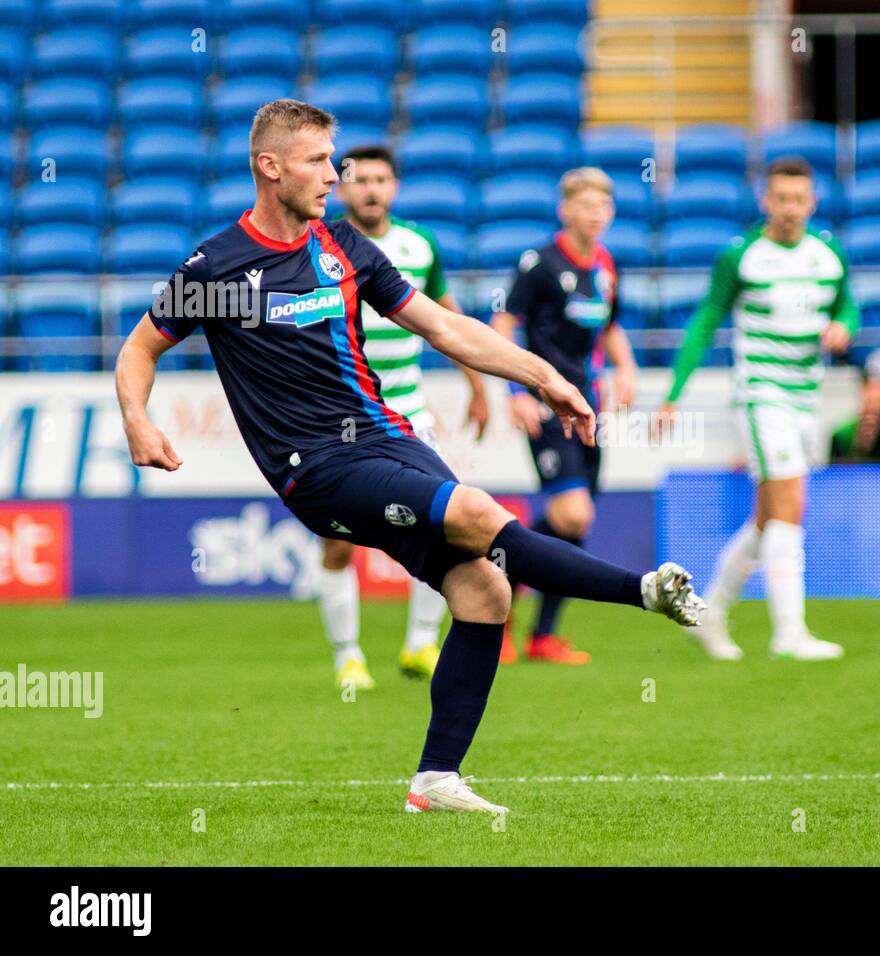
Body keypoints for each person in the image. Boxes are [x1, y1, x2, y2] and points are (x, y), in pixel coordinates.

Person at [115, 99, 704, 815]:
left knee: (482, 592)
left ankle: (436, 781)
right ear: (270, 168)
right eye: (316, 162)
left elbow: (447, 328)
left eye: (334, 161)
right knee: (479, 511)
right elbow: (140, 347)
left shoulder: (344, 249)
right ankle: (642, 592)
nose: (333, 175)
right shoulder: (217, 265)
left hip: (389, 437)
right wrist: (138, 420)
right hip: (316, 467)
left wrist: (547, 379)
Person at [659, 156, 858, 662]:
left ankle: (707, 614)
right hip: (760, 394)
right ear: (765, 201)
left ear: (812, 202)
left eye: (799, 199)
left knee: (770, 520)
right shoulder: (743, 256)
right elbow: (706, 321)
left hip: (804, 396)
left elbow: (847, 305)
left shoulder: (828, 253)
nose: (790, 209)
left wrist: (845, 327)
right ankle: (789, 632)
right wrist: (674, 391)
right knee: (792, 506)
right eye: (781, 199)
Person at [320, 143, 491, 691]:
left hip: (409, 413)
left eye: (380, 179)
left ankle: (420, 643)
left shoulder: (419, 246)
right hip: (340, 417)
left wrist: (476, 383)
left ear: (394, 186)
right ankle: (348, 655)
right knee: (339, 542)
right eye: (359, 179)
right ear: (341, 187)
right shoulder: (317, 246)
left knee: (440, 523)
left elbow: (445, 316)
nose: (370, 189)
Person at [491, 167, 636, 665]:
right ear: (565, 209)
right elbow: (503, 324)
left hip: (591, 408)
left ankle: (540, 632)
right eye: (586, 205)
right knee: (573, 513)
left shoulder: (607, 265)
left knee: (572, 525)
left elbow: (611, 327)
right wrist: (517, 390)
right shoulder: (540, 264)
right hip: (550, 403)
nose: (596, 215)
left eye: (604, 207)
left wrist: (629, 369)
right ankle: (499, 596)